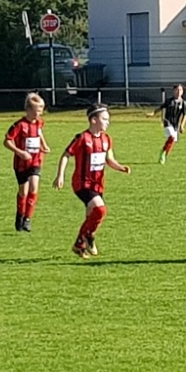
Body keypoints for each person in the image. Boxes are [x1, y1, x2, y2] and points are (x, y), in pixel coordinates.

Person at [53, 104, 132, 259]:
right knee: (100, 210)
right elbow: (66, 155)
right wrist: (60, 175)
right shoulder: (82, 138)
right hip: (82, 184)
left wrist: (121, 168)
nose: (108, 122)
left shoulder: (106, 139)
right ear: (94, 120)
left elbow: (109, 159)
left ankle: (81, 245)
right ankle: (86, 238)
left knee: (92, 216)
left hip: (98, 184)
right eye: (105, 119)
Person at [3, 93, 51, 232]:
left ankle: (28, 219)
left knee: (34, 187)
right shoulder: (19, 125)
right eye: (37, 111)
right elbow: (7, 141)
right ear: (28, 110)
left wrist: (44, 145)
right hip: (21, 164)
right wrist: (20, 152)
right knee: (23, 191)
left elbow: (39, 133)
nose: (40, 114)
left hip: (36, 161)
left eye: (41, 110)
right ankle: (20, 215)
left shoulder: (39, 122)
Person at [147, 84, 186, 164]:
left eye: (180, 90)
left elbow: (185, 115)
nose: (179, 92)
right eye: (177, 90)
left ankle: (164, 153)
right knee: (171, 137)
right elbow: (161, 108)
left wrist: (182, 126)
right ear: (174, 91)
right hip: (167, 122)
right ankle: (163, 154)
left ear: (183, 92)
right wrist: (153, 113)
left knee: (172, 141)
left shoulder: (183, 103)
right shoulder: (169, 101)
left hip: (176, 125)